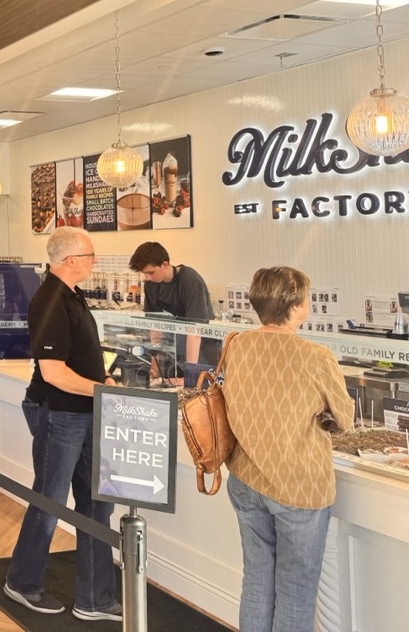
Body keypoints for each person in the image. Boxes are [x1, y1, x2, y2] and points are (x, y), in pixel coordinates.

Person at [223, 266, 354, 632]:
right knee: (296, 590)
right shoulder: (315, 355)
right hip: (298, 485)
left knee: (256, 579)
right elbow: (344, 417)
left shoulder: (236, 344)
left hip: (245, 478)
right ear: (296, 305)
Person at [3, 227, 120, 622]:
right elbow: (53, 373)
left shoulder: (72, 295)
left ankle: (95, 598)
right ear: (70, 260)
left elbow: (79, 357)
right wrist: (100, 390)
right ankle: (22, 583)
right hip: (60, 414)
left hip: (86, 413)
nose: (94, 261)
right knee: (49, 502)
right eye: (90, 255)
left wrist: (103, 380)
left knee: (97, 505)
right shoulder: (51, 300)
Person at [129, 241, 216, 366]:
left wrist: (190, 370)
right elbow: (154, 326)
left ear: (165, 264)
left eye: (151, 273)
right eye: (144, 273)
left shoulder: (190, 281)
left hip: (203, 346)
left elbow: (195, 330)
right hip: (176, 344)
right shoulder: (151, 284)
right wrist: (155, 365)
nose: (147, 278)